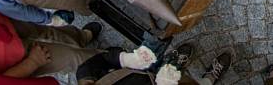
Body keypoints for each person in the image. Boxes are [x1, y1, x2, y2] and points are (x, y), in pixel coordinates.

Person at [76, 43, 233, 85]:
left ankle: (175, 66)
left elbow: (102, 59)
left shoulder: (86, 76)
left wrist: (125, 59)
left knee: (166, 69)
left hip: (143, 73)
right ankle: (209, 79)